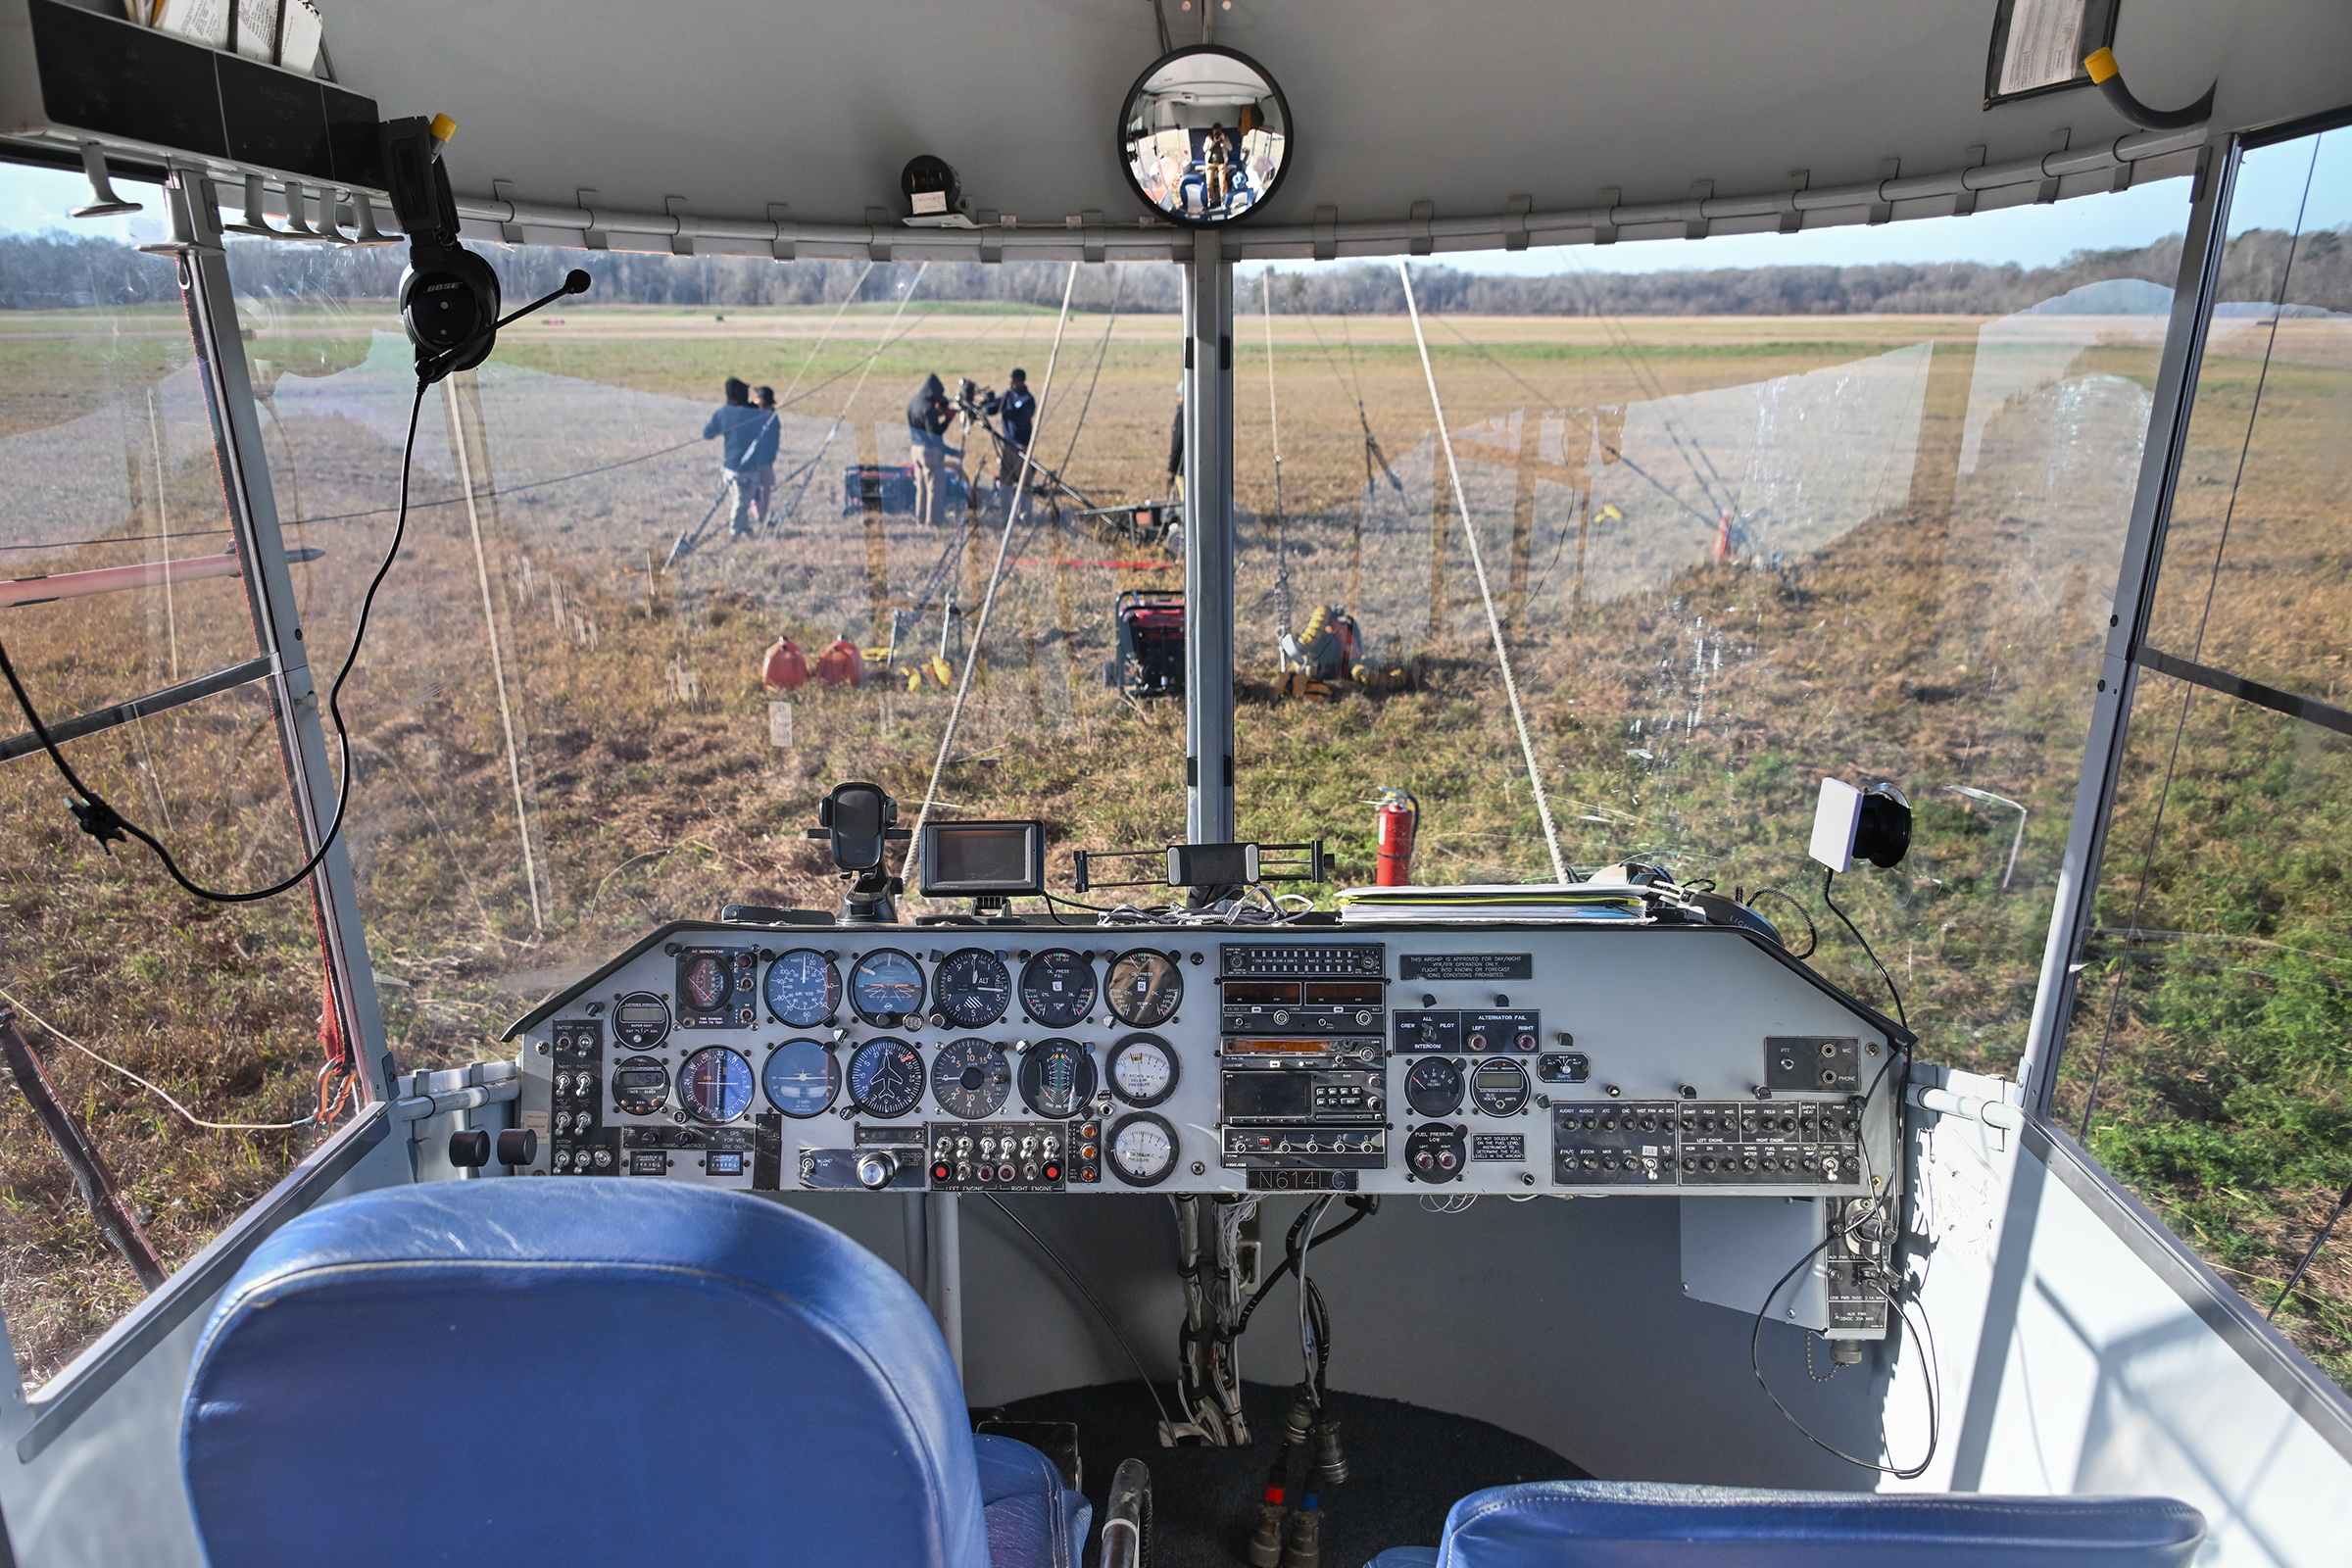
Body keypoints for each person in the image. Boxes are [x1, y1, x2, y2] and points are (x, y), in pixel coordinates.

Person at [702, 376, 770, 539]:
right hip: (745, 468)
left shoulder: (722, 412)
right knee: (741, 502)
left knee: (742, 499)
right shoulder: (752, 413)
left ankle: (744, 527)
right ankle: (735, 533)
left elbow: (707, 434)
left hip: (728, 468)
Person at [981, 368, 1037, 519]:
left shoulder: (1028, 400)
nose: (1011, 384)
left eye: (1013, 382)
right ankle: (1005, 513)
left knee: (1023, 482)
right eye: (1010, 381)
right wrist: (987, 402)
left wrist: (1007, 408)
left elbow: (1020, 420)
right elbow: (992, 409)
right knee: (1005, 481)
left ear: (1021, 382)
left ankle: (1025, 514)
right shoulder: (1008, 395)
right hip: (1007, 444)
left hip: (1021, 446)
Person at [906, 372, 955, 528]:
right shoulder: (928, 408)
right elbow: (935, 435)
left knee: (921, 488)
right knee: (935, 488)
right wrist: (947, 420)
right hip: (929, 451)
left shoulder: (912, 403)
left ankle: (920, 520)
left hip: (915, 449)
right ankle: (933, 523)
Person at [749, 385, 781, 529]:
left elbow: (775, 440)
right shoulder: (749, 415)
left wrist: (770, 458)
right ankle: (759, 518)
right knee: (753, 489)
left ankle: (763, 516)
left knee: (766, 489)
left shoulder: (773, 418)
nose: (765, 407)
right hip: (752, 461)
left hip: (766, 460)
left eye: (767, 405)